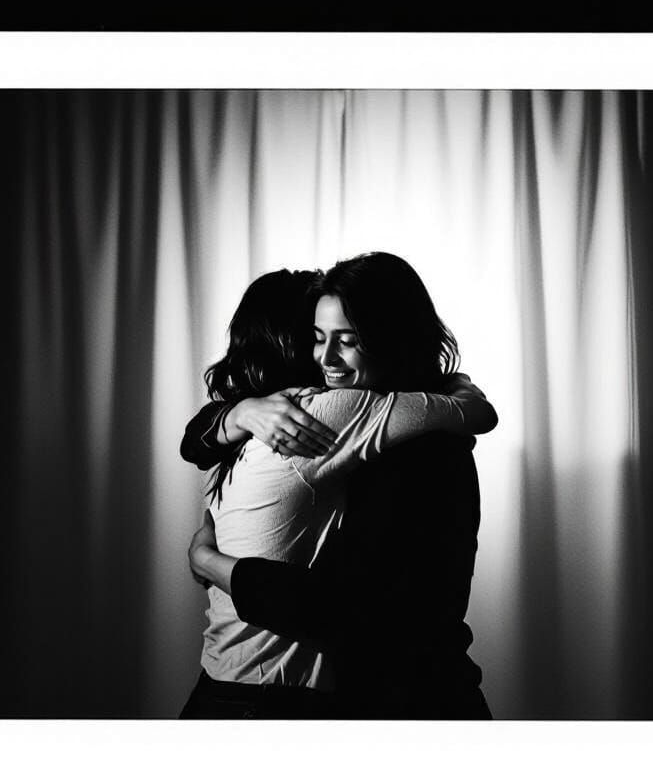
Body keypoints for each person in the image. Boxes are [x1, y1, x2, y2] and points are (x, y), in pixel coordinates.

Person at [187, 253, 496, 719]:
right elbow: (197, 440)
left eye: (346, 341)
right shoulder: (308, 423)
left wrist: (209, 561)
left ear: (389, 341)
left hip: (415, 704)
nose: (324, 360)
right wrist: (237, 412)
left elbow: (341, 608)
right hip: (315, 697)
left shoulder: (424, 450)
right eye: (315, 339)